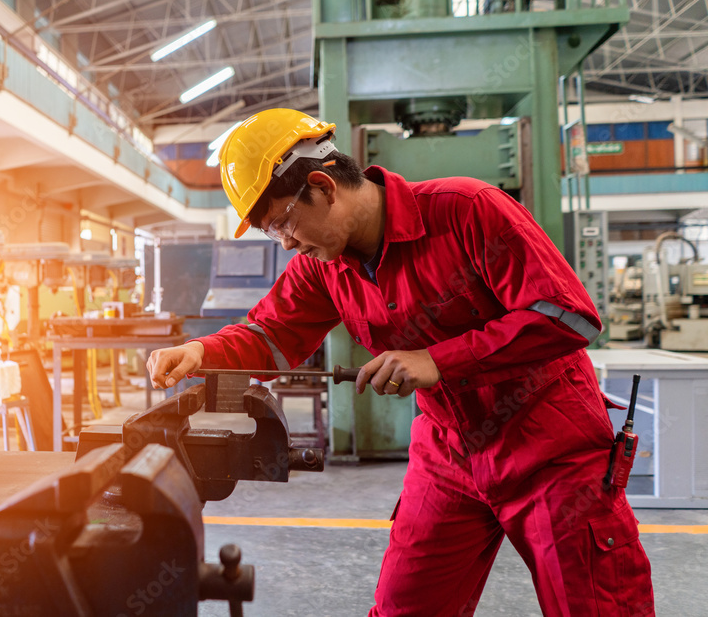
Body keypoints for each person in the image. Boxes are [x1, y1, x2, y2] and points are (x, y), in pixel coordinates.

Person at [146, 109, 654, 616]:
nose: (286, 243)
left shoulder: (468, 210)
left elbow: (569, 316)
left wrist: (438, 359)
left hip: (550, 447)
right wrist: (201, 352)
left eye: (282, 222)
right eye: (271, 234)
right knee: (404, 609)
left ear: (323, 187)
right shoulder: (324, 268)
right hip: (449, 453)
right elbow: (270, 334)